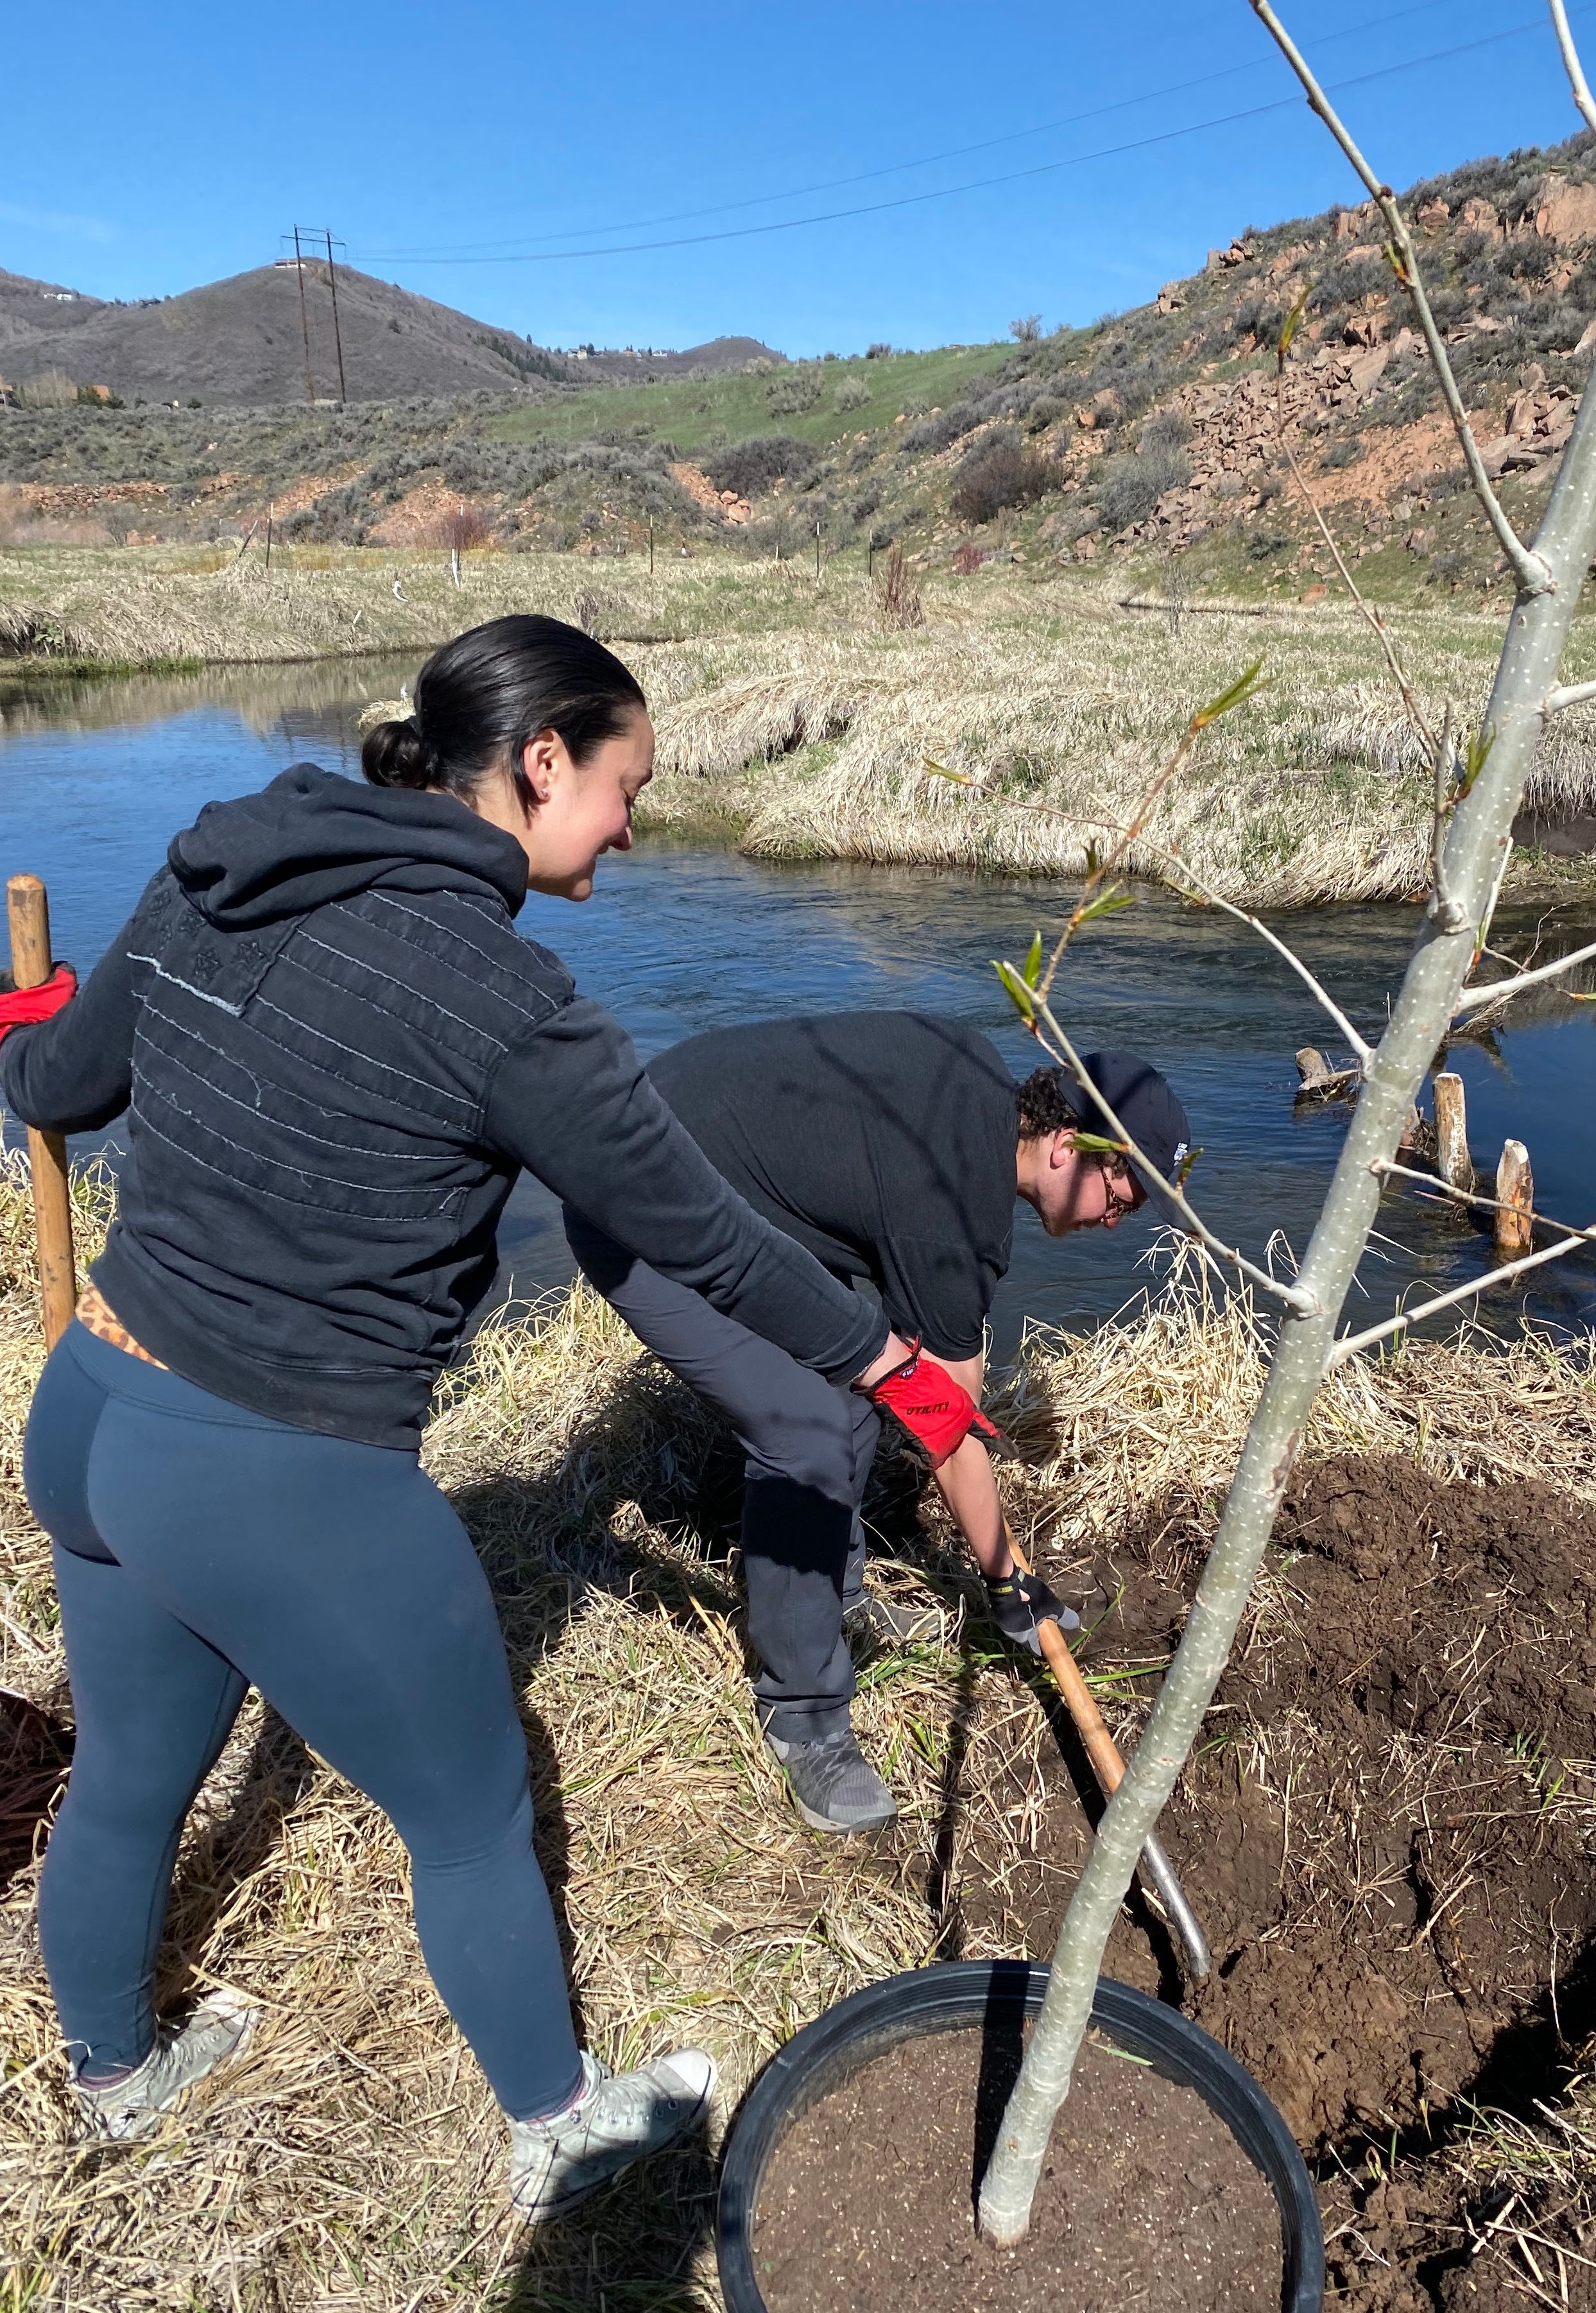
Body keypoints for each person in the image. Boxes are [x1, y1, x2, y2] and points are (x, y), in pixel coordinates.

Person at [0, 617, 981, 2214]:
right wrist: (901, 1374)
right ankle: (560, 2127)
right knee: (469, 1815)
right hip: (276, 1476)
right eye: (626, 786)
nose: (637, 824)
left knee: (124, 1771)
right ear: (540, 764)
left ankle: (113, 2077)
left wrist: (33, 1013)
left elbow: (51, 1093)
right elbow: (713, 1239)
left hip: (94, 1411)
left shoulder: (215, 867)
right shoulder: (514, 1004)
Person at [564, 1011, 1190, 1835]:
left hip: (713, 1174)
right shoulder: (950, 1215)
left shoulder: (974, 1082)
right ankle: (805, 1716)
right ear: (1067, 1145)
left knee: (862, 1382)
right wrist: (1007, 1583)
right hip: (635, 1210)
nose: (1115, 1222)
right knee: (809, 1432)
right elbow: (949, 1428)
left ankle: (834, 1598)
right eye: (1121, 1198)